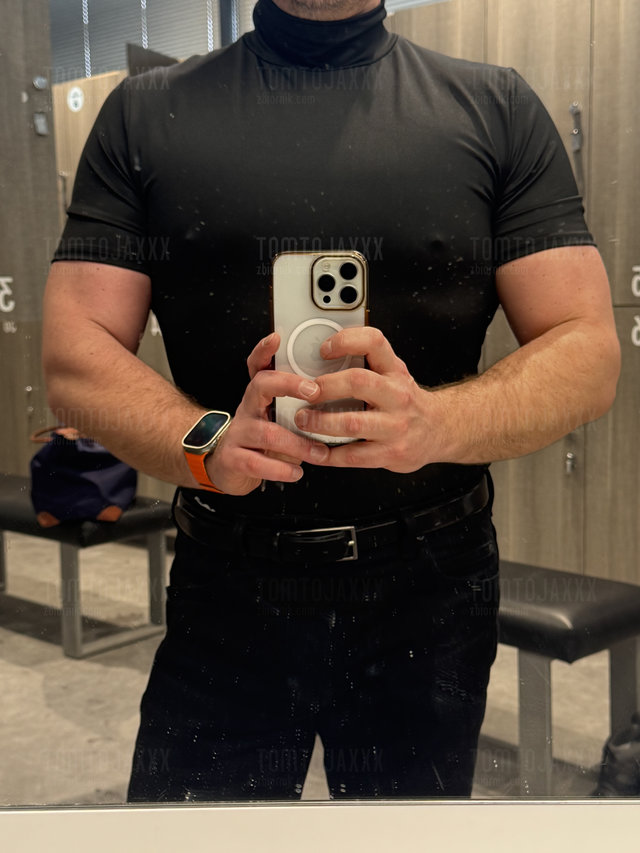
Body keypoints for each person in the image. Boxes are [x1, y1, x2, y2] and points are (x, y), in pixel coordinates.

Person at [43, 0, 620, 801]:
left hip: (429, 586)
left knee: (403, 840)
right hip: (228, 577)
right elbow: (75, 354)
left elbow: (587, 350)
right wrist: (206, 440)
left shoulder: (497, 107)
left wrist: (436, 422)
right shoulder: (143, 114)